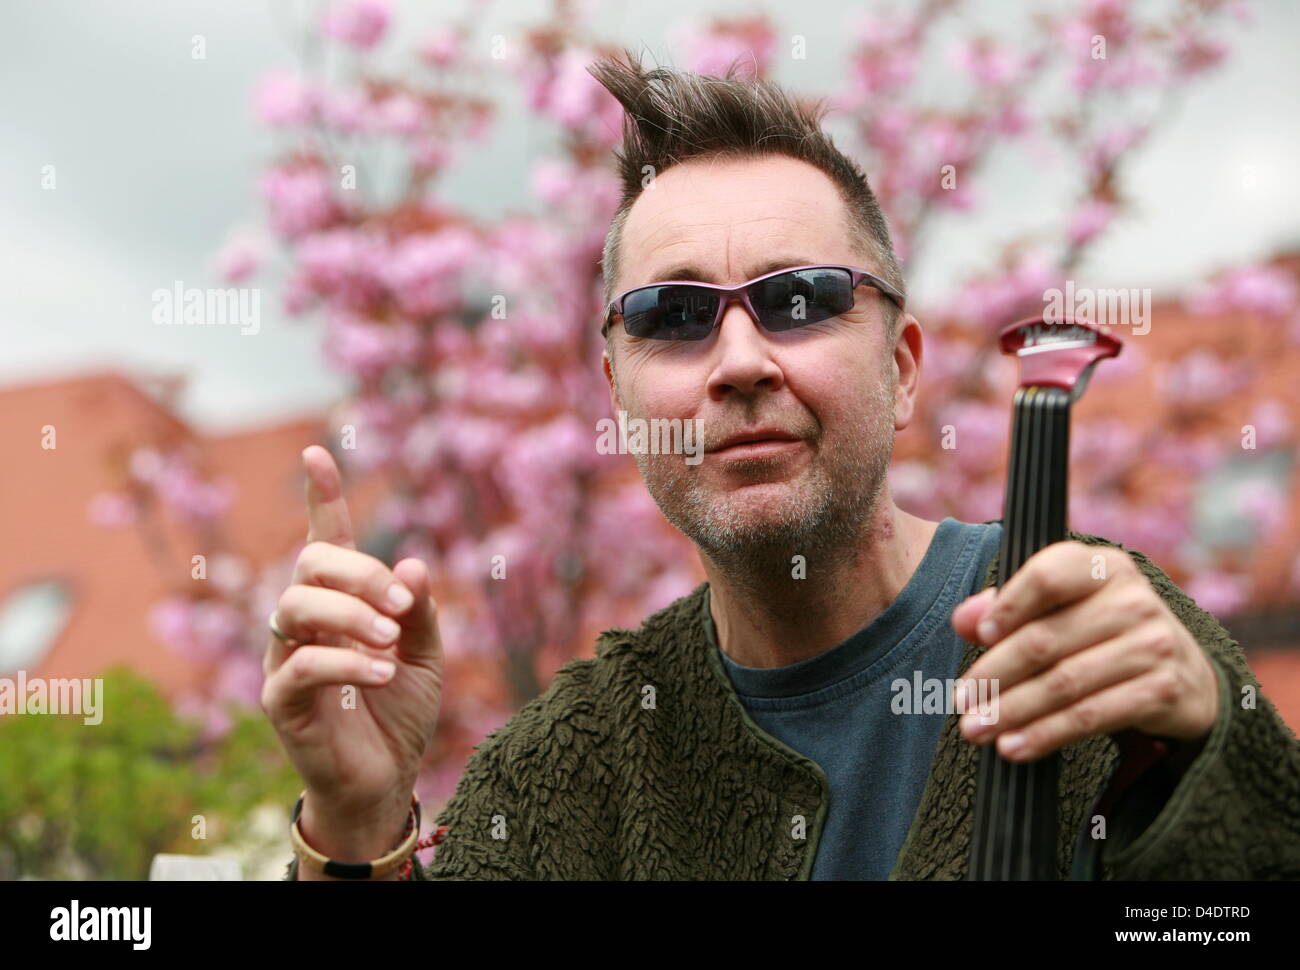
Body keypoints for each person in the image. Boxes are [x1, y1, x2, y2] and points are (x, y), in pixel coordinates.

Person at [269, 50, 1300, 881]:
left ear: (902, 370)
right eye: (671, 317)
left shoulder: (1093, 638)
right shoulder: (564, 769)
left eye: (799, 299)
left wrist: (1206, 750)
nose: (739, 364)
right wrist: (356, 826)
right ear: (618, 394)